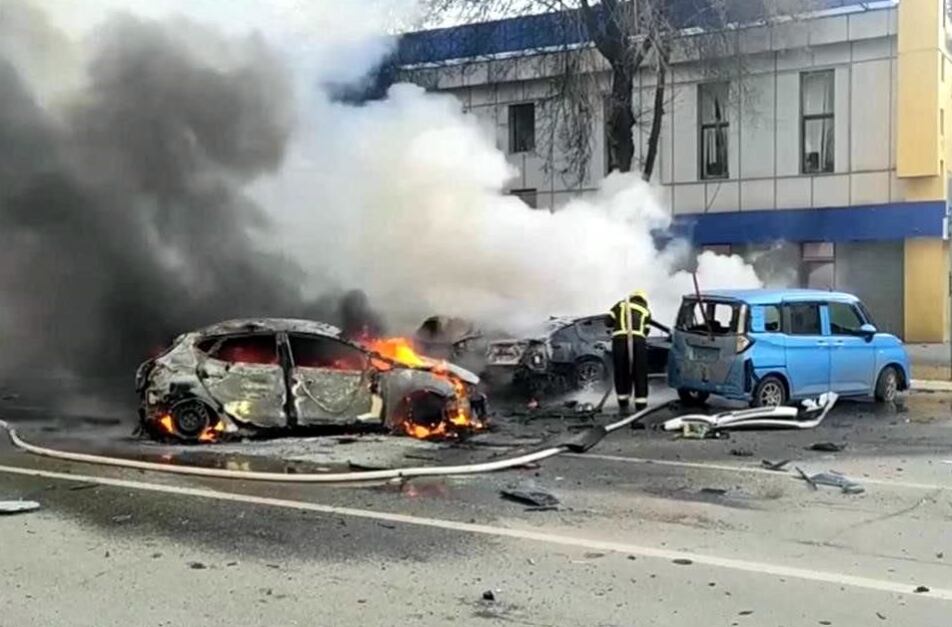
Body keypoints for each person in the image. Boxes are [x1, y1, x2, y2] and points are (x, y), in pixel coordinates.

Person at [608, 289, 653, 414]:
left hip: (620, 341)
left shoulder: (620, 305)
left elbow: (608, 322)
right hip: (638, 342)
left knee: (621, 370)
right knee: (640, 372)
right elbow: (646, 330)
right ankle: (641, 404)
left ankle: (623, 402)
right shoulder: (645, 311)